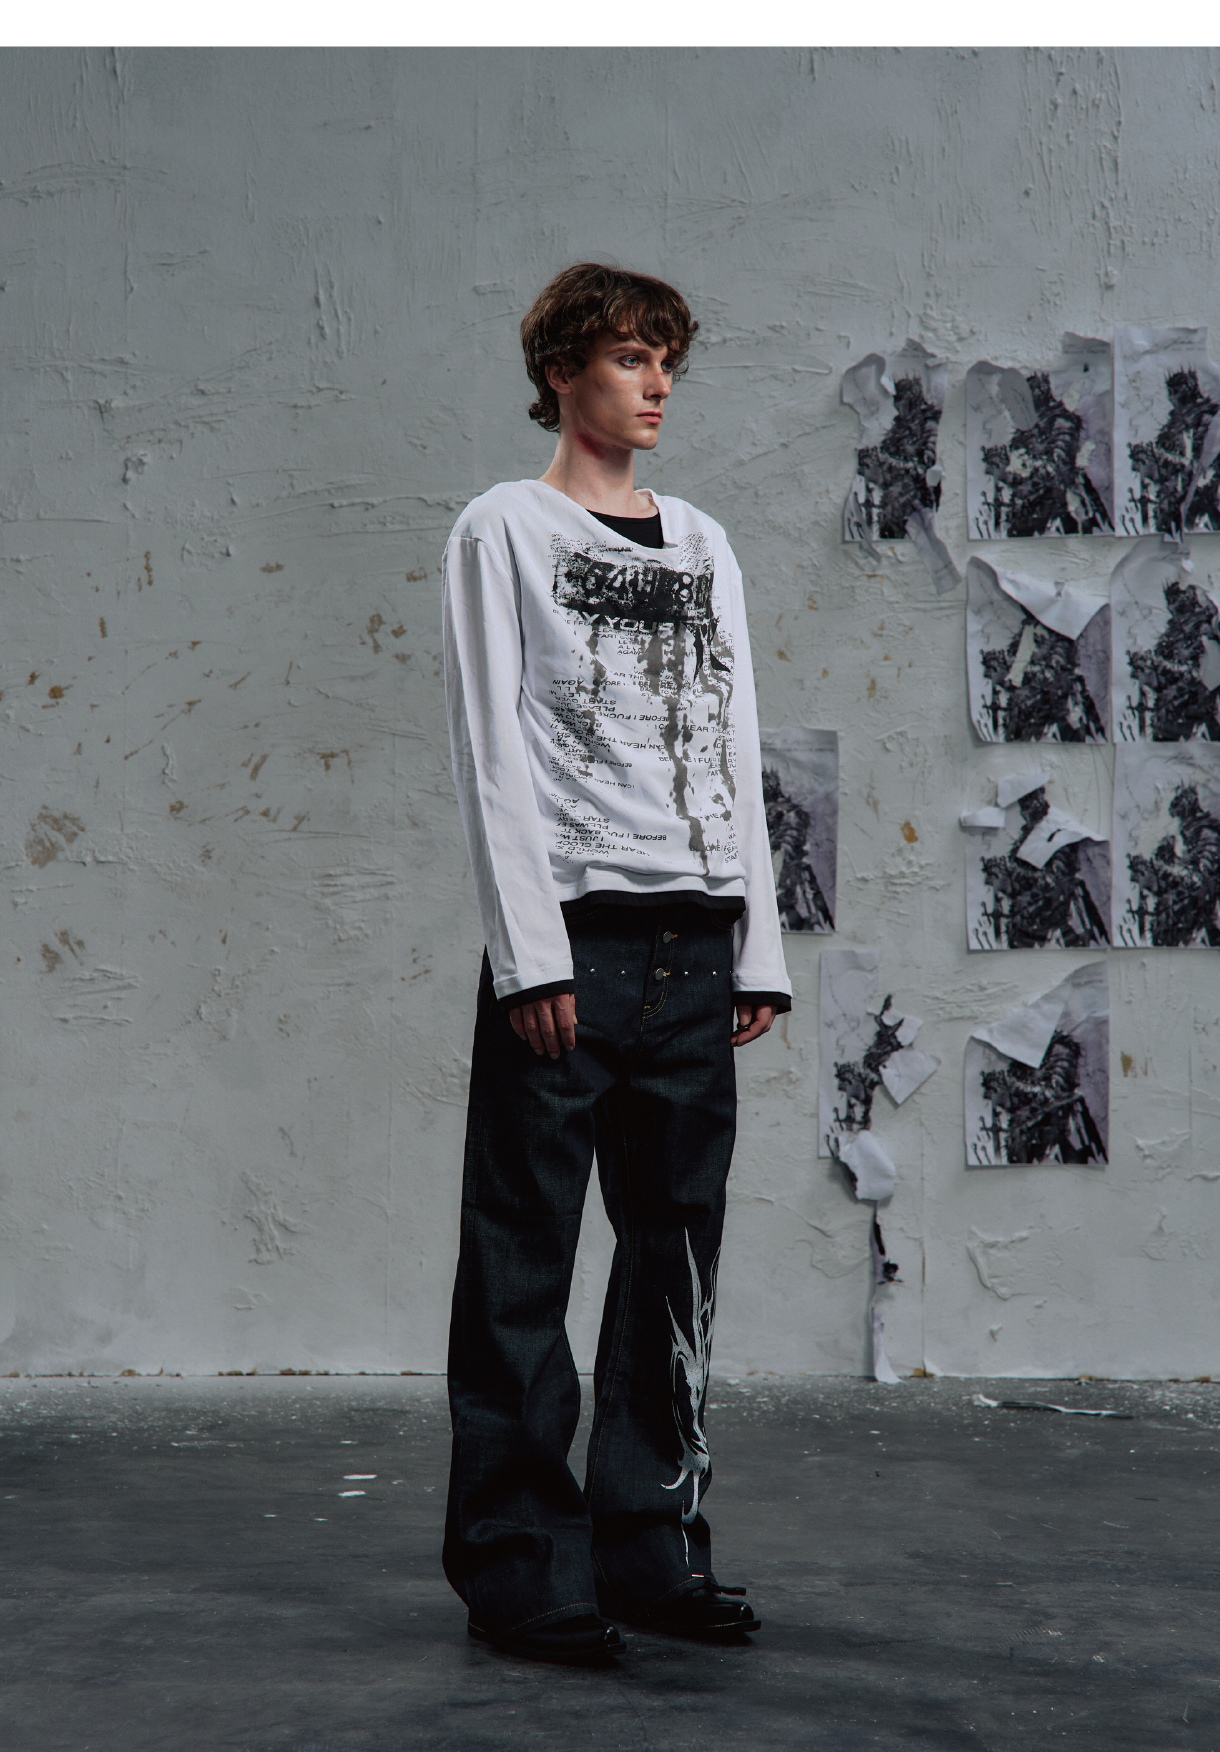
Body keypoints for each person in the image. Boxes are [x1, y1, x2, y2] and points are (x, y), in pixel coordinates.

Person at [440, 262, 792, 1665]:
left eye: (666, 362)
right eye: (629, 358)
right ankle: (519, 1562)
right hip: (571, 949)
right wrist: (528, 959)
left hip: (694, 949)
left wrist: (756, 946)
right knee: (521, 1262)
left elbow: (735, 743)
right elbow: (491, 751)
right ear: (561, 373)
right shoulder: (504, 528)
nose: (655, 385)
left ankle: (650, 1545)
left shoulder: (703, 542)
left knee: (673, 1261)